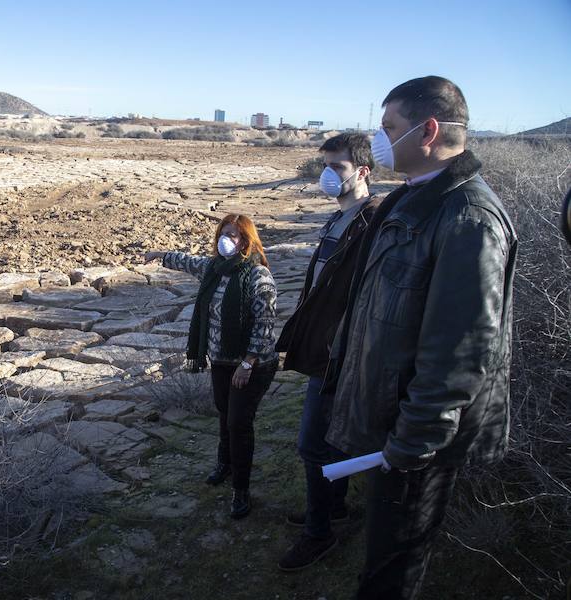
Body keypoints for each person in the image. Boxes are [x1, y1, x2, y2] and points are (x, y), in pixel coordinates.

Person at [324, 76, 518, 599]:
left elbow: (462, 351)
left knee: (393, 570)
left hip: (416, 439)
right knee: (382, 551)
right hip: (390, 422)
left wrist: (412, 442)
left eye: (389, 128)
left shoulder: (466, 216)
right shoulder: (410, 200)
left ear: (428, 130)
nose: (380, 139)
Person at [274, 133, 381, 571]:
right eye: (324, 166)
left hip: (344, 354)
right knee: (329, 440)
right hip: (326, 349)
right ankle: (333, 505)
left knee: (312, 444)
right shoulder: (339, 219)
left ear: (362, 172)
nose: (327, 175)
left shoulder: (374, 221)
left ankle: (319, 534)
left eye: (336, 167)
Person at [145, 214, 278, 519]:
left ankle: (241, 490)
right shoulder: (214, 268)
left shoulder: (258, 276)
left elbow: (265, 324)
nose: (227, 239)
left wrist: (247, 363)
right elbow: (187, 262)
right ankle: (224, 464)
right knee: (223, 413)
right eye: (224, 233)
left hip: (252, 364)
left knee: (238, 424)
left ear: (247, 240)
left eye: (235, 235)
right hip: (220, 360)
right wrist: (160, 255)